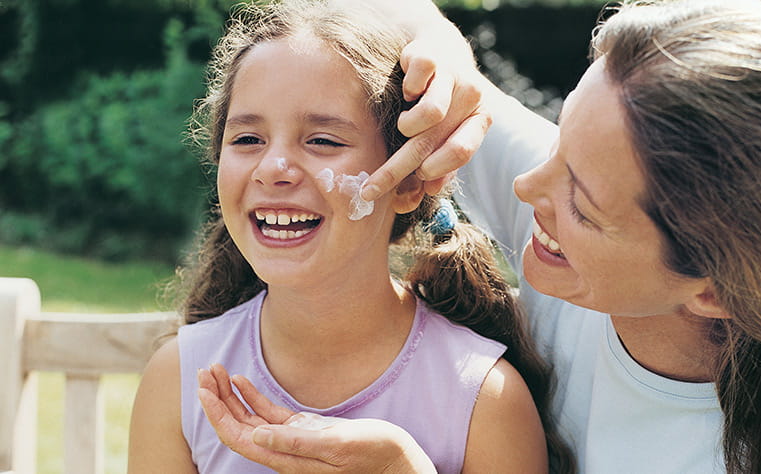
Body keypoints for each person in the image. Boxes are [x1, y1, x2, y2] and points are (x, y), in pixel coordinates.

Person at [202, 0, 761, 472]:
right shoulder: (589, 188)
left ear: (714, 293)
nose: (528, 185)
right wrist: (440, 44)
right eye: (559, 140)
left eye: (582, 204)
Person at [126, 0, 567, 472]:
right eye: (247, 139)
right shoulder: (177, 381)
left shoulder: (484, 399)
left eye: (323, 141)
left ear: (410, 182)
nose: (273, 168)